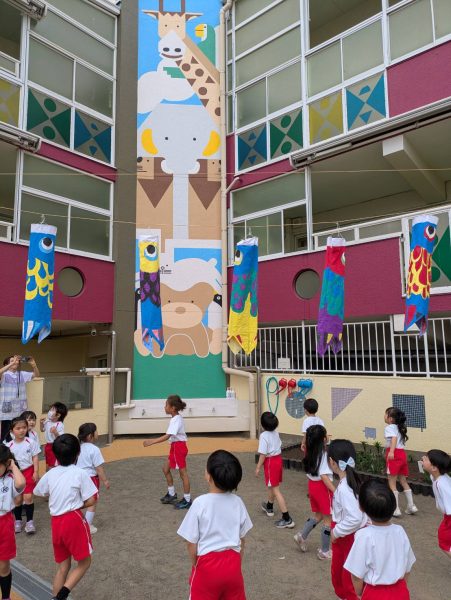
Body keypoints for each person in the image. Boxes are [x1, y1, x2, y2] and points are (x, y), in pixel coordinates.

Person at [177, 450, 253, 600]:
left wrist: (196, 564)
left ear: (209, 476)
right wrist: (236, 563)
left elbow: (191, 542)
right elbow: (242, 539)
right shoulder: (238, 502)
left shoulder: (200, 503)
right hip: (233, 564)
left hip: (208, 565)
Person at [34, 434, 98, 600]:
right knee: (85, 562)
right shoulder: (80, 473)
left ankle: (54, 597)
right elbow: (92, 499)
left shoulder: (51, 473)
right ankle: (61, 595)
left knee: (63, 567)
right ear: (78, 453)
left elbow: (38, 491)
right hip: (73, 520)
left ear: (55, 454)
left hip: (56, 522)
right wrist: (78, 504)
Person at [344, 480, 415, 599]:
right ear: (393, 506)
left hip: (375, 593)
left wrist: (360, 593)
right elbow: (408, 567)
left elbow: (356, 575)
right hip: (400, 591)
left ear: (361, 507)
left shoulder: (363, 535)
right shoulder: (400, 531)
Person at [328, 439, 368, 600]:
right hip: (349, 536)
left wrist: (336, 532)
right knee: (343, 576)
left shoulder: (345, 488)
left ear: (332, 462)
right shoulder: (354, 482)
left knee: (347, 580)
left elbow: (355, 518)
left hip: (347, 537)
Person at [142, 394, 191, 509]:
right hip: (175, 447)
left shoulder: (176, 420)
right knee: (165, 469)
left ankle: (187, 500)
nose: (164, 407)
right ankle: (171, 494)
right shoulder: (175, 418)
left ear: (173, 408)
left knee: (183, 474)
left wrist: (151, 442)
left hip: (179, 448)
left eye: (166, 405)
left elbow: (168, 435)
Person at [294, 424, 335, 559]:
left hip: (312, 486)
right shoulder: (324, 455)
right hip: (323, 488)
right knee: (328, 520)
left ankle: (302, 536)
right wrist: (336, 491)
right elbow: (324, 476)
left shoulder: (309, 451)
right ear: (324, 439)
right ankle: (324, 551)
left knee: (318, 515)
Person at [256, 411, 294, 528]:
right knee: (272, 486)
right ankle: (269, 507)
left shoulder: (263, 436)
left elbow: (263, 454)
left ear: (262, 424)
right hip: (278, 460)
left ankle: (287, 518)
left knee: (276, 489)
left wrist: (258, 467)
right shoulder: (276, 433)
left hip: (270, 462)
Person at [4, 416, 40, 534]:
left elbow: (35, 457)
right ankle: (18, 521)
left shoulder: (31, 442)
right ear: (12, 431)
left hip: (29, 471)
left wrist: (36, 471)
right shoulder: (8, 446)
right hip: (15, 474)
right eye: (18, 428)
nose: (21, 430)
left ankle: (30, 522)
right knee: (18, 499)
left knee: (28, 497)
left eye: (24, 427)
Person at [0, 445, 26, 600]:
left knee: (3, 565)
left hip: (4, 523)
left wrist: (13, 466)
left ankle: (5, 597)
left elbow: (21, 483)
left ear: (6, 463)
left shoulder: (9, 479)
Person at [77, 423, 110, 534]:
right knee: (92, 502)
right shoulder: (94, 449)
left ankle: (78, 522)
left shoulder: (78, 448)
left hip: (78, 478)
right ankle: (87, 526)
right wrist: (105, 480)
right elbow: (99, 468)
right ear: (90, 436)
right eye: (96, 431)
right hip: (91, 479)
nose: (97, 433)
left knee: (79, 500)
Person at [384, 407, 418, 517]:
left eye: (386, 414)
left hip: (394, 455)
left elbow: (393, 438)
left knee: (392, 483)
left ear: (390, 418)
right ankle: (411, 506)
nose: (384, 416)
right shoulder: (400, 427)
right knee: (403, 481)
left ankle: (396, 509)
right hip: (402, 454)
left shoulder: (389, 427)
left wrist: (391, 451)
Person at [0, 355, 39, 442]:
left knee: (23, 432)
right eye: (12, 360)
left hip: (20, 410)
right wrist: (11, 364)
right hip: (8, 411)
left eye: (16, 360)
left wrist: (33, 365)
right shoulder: (4, 375)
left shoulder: (22, 374)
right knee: (6, 435)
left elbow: (36, 374)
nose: (15, 362)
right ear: (6, 364)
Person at [421, 449, 451, 559]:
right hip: (448, 517)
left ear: (434, 468)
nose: (423, 458)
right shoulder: (438, 477)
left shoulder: (442, 484)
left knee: (444, 542)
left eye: (426, 459)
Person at [40, 403, 68, 471]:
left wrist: (55, 432)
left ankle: (53, 474)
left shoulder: (59, 424)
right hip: (48, 445)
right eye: (50, 409)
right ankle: (48, 473)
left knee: (53, 464)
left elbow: (60, 438)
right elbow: (42, 430)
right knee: (48, 462)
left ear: (58, 415)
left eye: (52, 410)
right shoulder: (47, 421)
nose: (50, 411)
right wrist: (41, 423)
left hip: (55, 446)